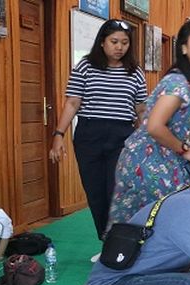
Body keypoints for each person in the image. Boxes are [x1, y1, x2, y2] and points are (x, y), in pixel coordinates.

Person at [107, 19, 190, 228]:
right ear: (183, 47)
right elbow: (155, 126)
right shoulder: (178, 82)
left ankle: (124, 256)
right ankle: (118, 257)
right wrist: (185, 150)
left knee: (146, 225)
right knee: (157, 222)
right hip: (148, 161)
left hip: (160, 158)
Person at [49, 19, 146, 242]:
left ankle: (117, 238)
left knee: (116, 190)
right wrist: (58, 135)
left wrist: (146, 138)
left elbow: (141, 109)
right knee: (95, 192)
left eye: (124, 42)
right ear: (102, 42)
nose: (119, 47)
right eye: (114, 42)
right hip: (88, 134)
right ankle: (105, 238)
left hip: (122, 135)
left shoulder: (135, 72)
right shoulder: (85, 66)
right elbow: (72, 103)